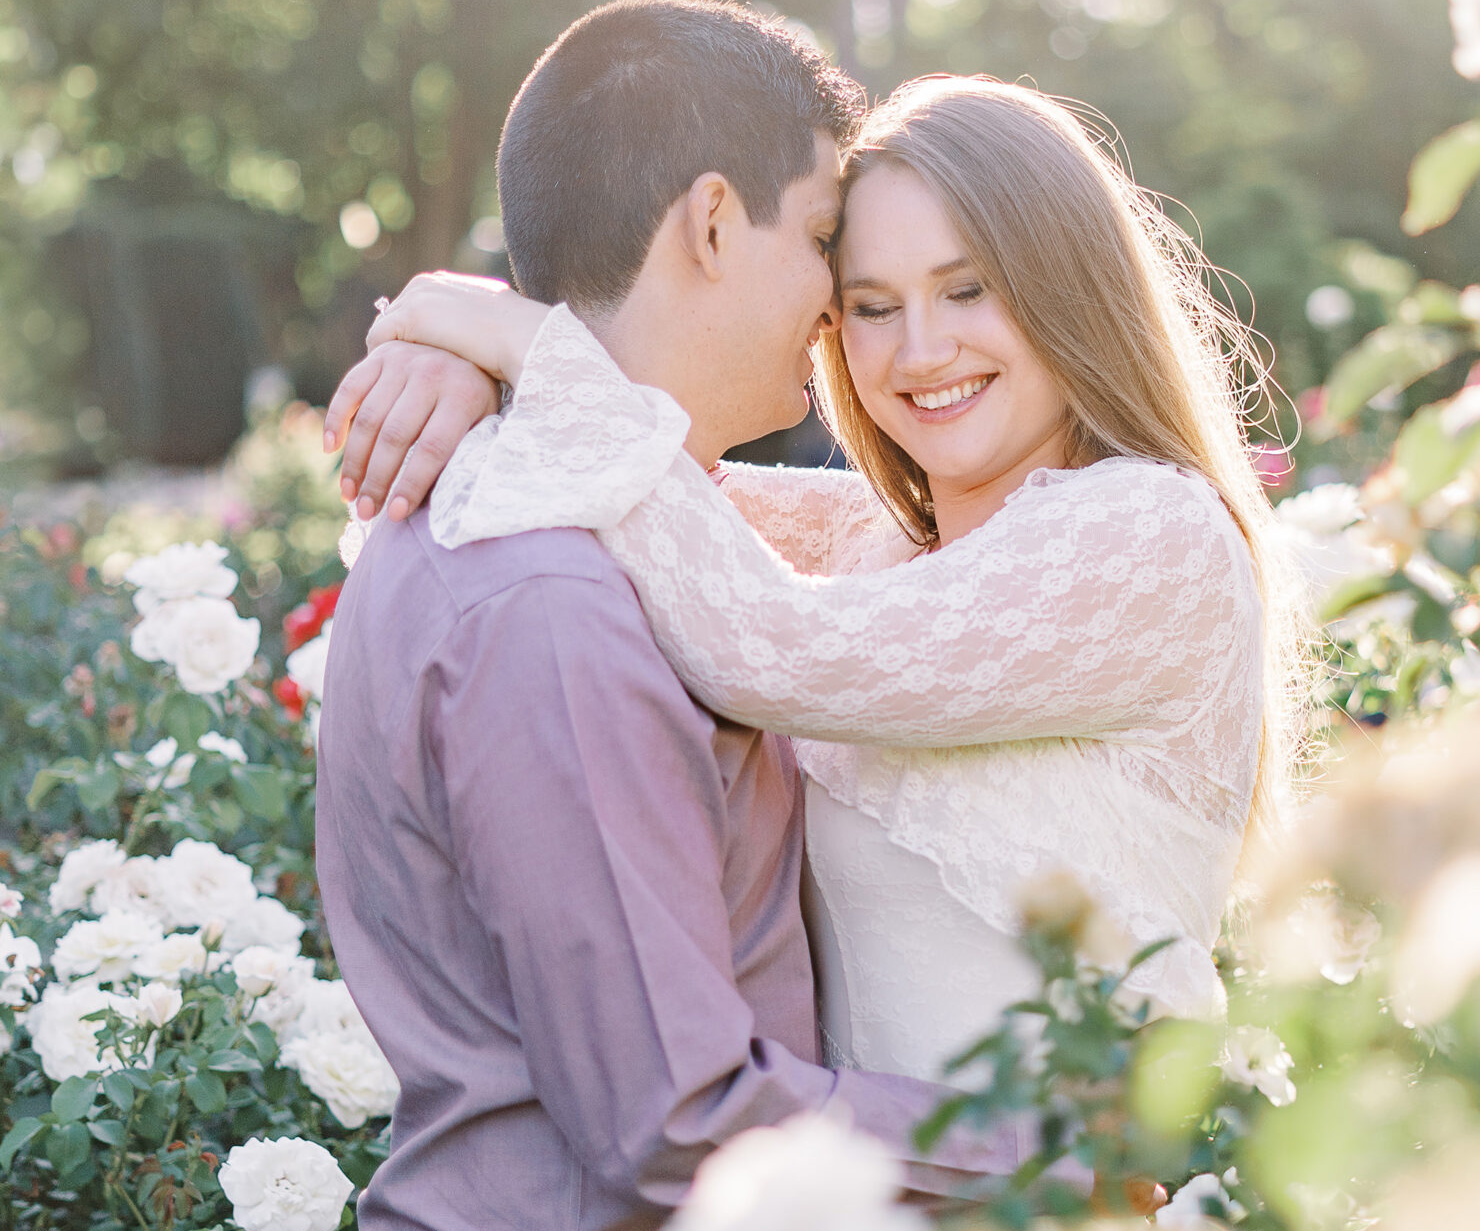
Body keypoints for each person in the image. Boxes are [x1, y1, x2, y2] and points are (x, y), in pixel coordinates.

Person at [315, 0, 1025, 1231]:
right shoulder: (557, 601)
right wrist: (1044, 1145)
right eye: (822, 248)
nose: (838, 325)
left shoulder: (594, 526)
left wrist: (459, 325)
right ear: (712, 221)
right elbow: (675, 1117)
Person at [331, 73, 1305, 1091]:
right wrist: (469, 358)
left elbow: (765, 640)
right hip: (873, 1210)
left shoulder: (1152, 532)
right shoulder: (870, 545)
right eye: (872, 307)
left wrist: (519, 338)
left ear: (1069, 286)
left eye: (968, 289)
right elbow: (648, 470)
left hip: (1056, 1223)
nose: (922, 351)